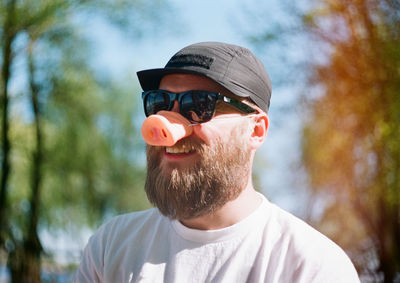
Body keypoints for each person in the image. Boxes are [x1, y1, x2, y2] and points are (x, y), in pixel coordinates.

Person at [73, 42, 360, 283]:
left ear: (256, 130)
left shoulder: (311, 266)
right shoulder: (111, 247)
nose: (170, 128)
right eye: (158, 103)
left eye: (198, 105)